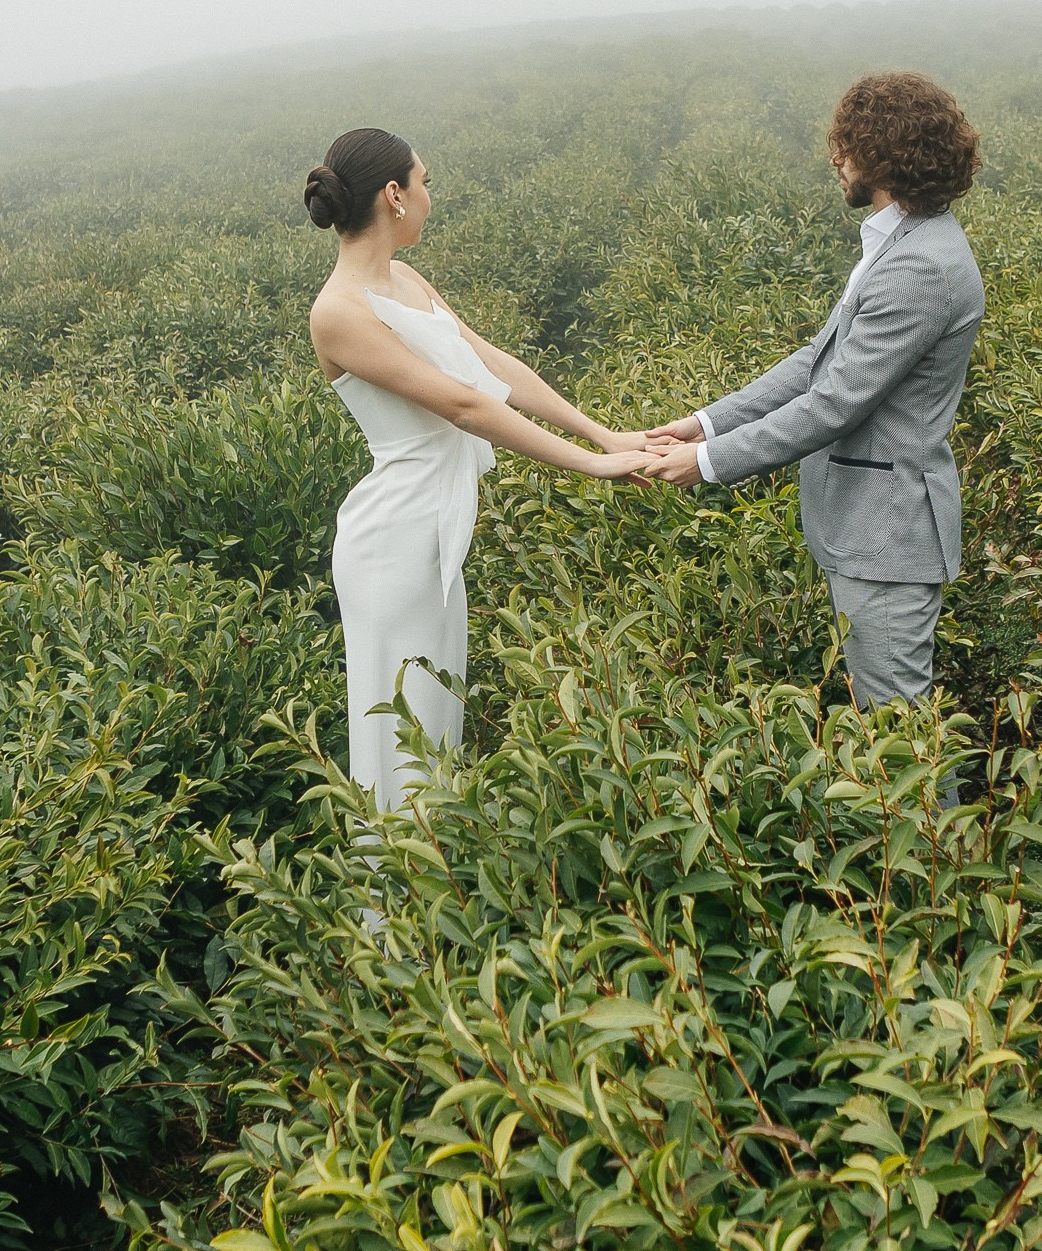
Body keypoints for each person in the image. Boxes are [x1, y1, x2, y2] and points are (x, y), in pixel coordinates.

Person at [307, 125, 647, 809]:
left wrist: (603, 433)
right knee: (401, 750)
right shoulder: (336, 313)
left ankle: (435, 900)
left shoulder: (403, 278)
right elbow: (463, 404)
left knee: (438, 732)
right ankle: (394, 907)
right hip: (391, 544)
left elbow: (492, 367)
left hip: (430, 536)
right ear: (394, 195)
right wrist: (586, 465)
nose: (433, 196)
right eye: (426, 181)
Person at [641, 71, 985, 706]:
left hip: (887, 536)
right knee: (887, 728)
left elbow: (835, 403)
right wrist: (706, 423)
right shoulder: (902, 241)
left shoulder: (920, 264)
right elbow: (816, 363)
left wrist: (709, 464)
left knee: (898, 739)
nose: (837, 158)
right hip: (866, 528)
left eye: (848, 144)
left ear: (886, 156)